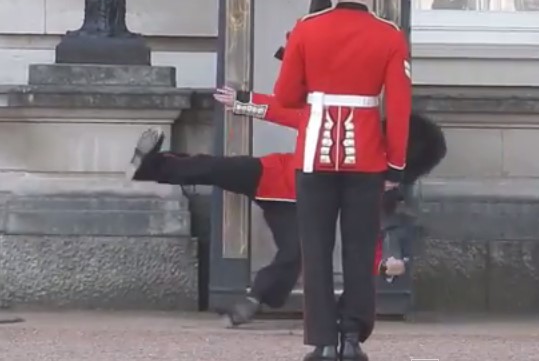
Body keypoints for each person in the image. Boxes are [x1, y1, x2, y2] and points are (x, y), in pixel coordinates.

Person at [126, 88, 442, 332]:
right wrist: (242, 102)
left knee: (296, 251)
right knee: (212, 167)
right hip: (272, 174)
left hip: (298, 204)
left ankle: (256, 298)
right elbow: (290, 113)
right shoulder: (349, 134)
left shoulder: (380, 187)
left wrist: (385, 265)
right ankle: (151, 165)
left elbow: (375, 233)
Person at [272, 0, 412, 359]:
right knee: (358, 252)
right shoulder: (389, 36)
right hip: (367, 157)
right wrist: (396, 162)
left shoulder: (307, 30)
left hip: (313, 156)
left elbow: (287, 96)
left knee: (316, 253)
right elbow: (401, 108)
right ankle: (352, 337)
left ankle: (324, 342)